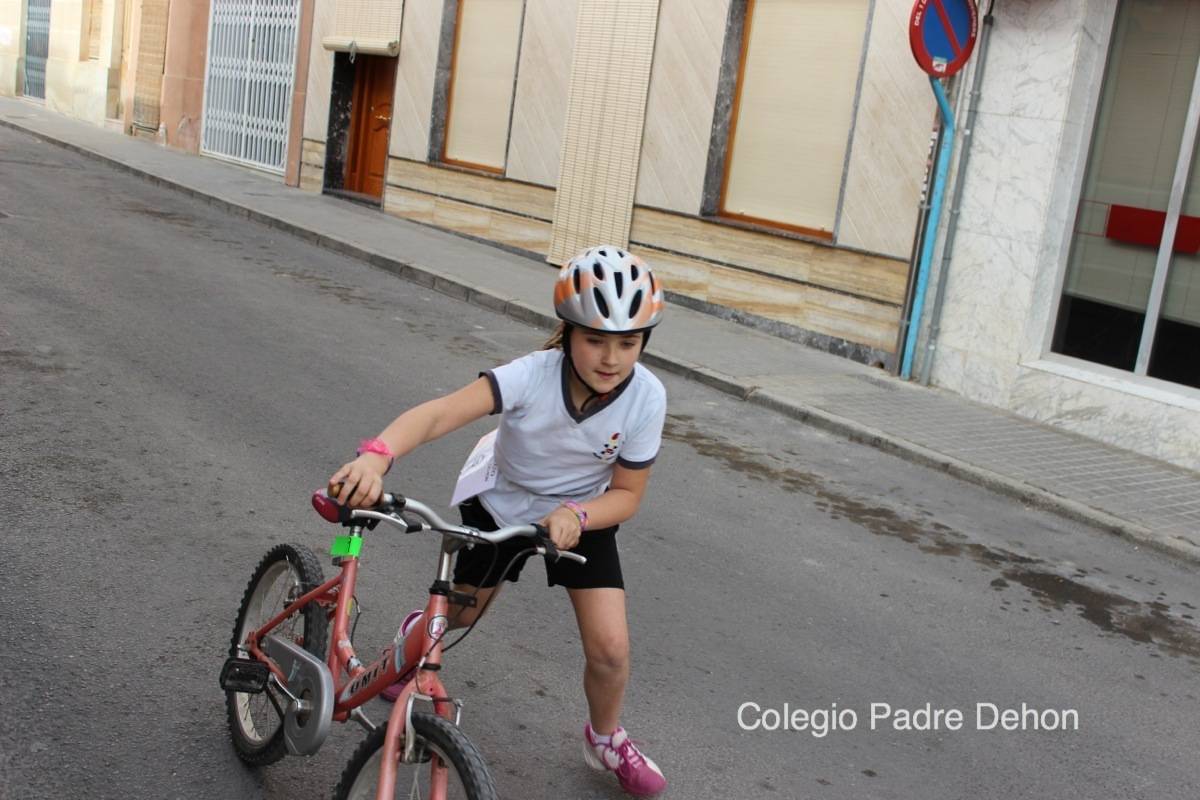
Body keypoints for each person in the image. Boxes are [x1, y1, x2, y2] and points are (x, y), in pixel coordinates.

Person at [327, 245, 669, 797]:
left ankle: (604, 738)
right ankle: (411, 640)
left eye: (627, 343)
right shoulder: (532, 376)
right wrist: (376, 455)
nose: (611, 358)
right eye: (595, 340)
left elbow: (627, 494)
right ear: (567, 332)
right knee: (458, 614)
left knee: (611, 650)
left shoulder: (647, 397)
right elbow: (441, 412)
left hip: (584, 514)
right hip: (503, 502)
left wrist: (577, 513)